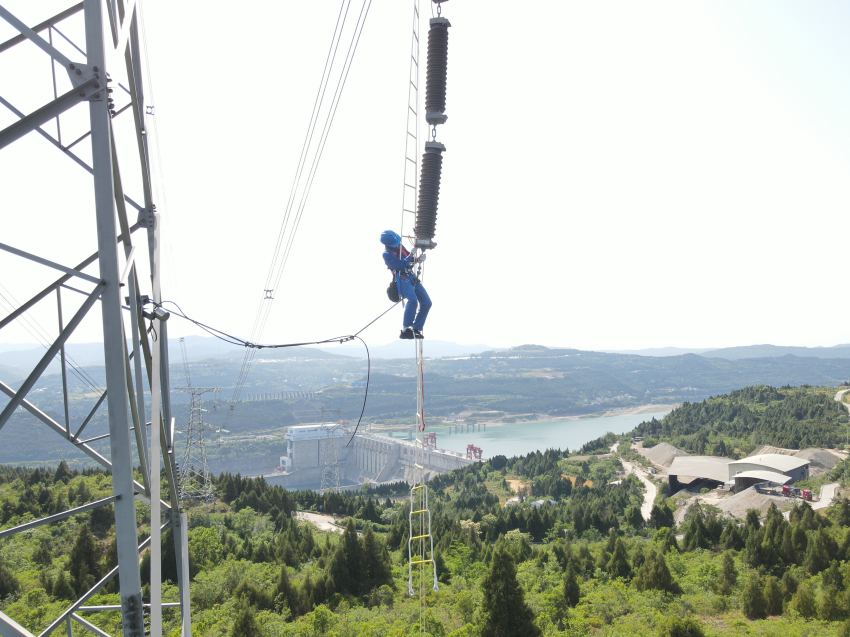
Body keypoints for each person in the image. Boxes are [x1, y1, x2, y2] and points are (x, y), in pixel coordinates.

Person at [380, 230, 432, 339]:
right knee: (413, 301)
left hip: (411, 277)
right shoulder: (386, 255)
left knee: (427, 302)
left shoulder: (400, 247)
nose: (397, 245)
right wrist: (411, 255)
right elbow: (400, 265)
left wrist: (417, 259)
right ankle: (406, 329)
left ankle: (416, 328)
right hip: (402, 278)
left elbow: (409, 259)